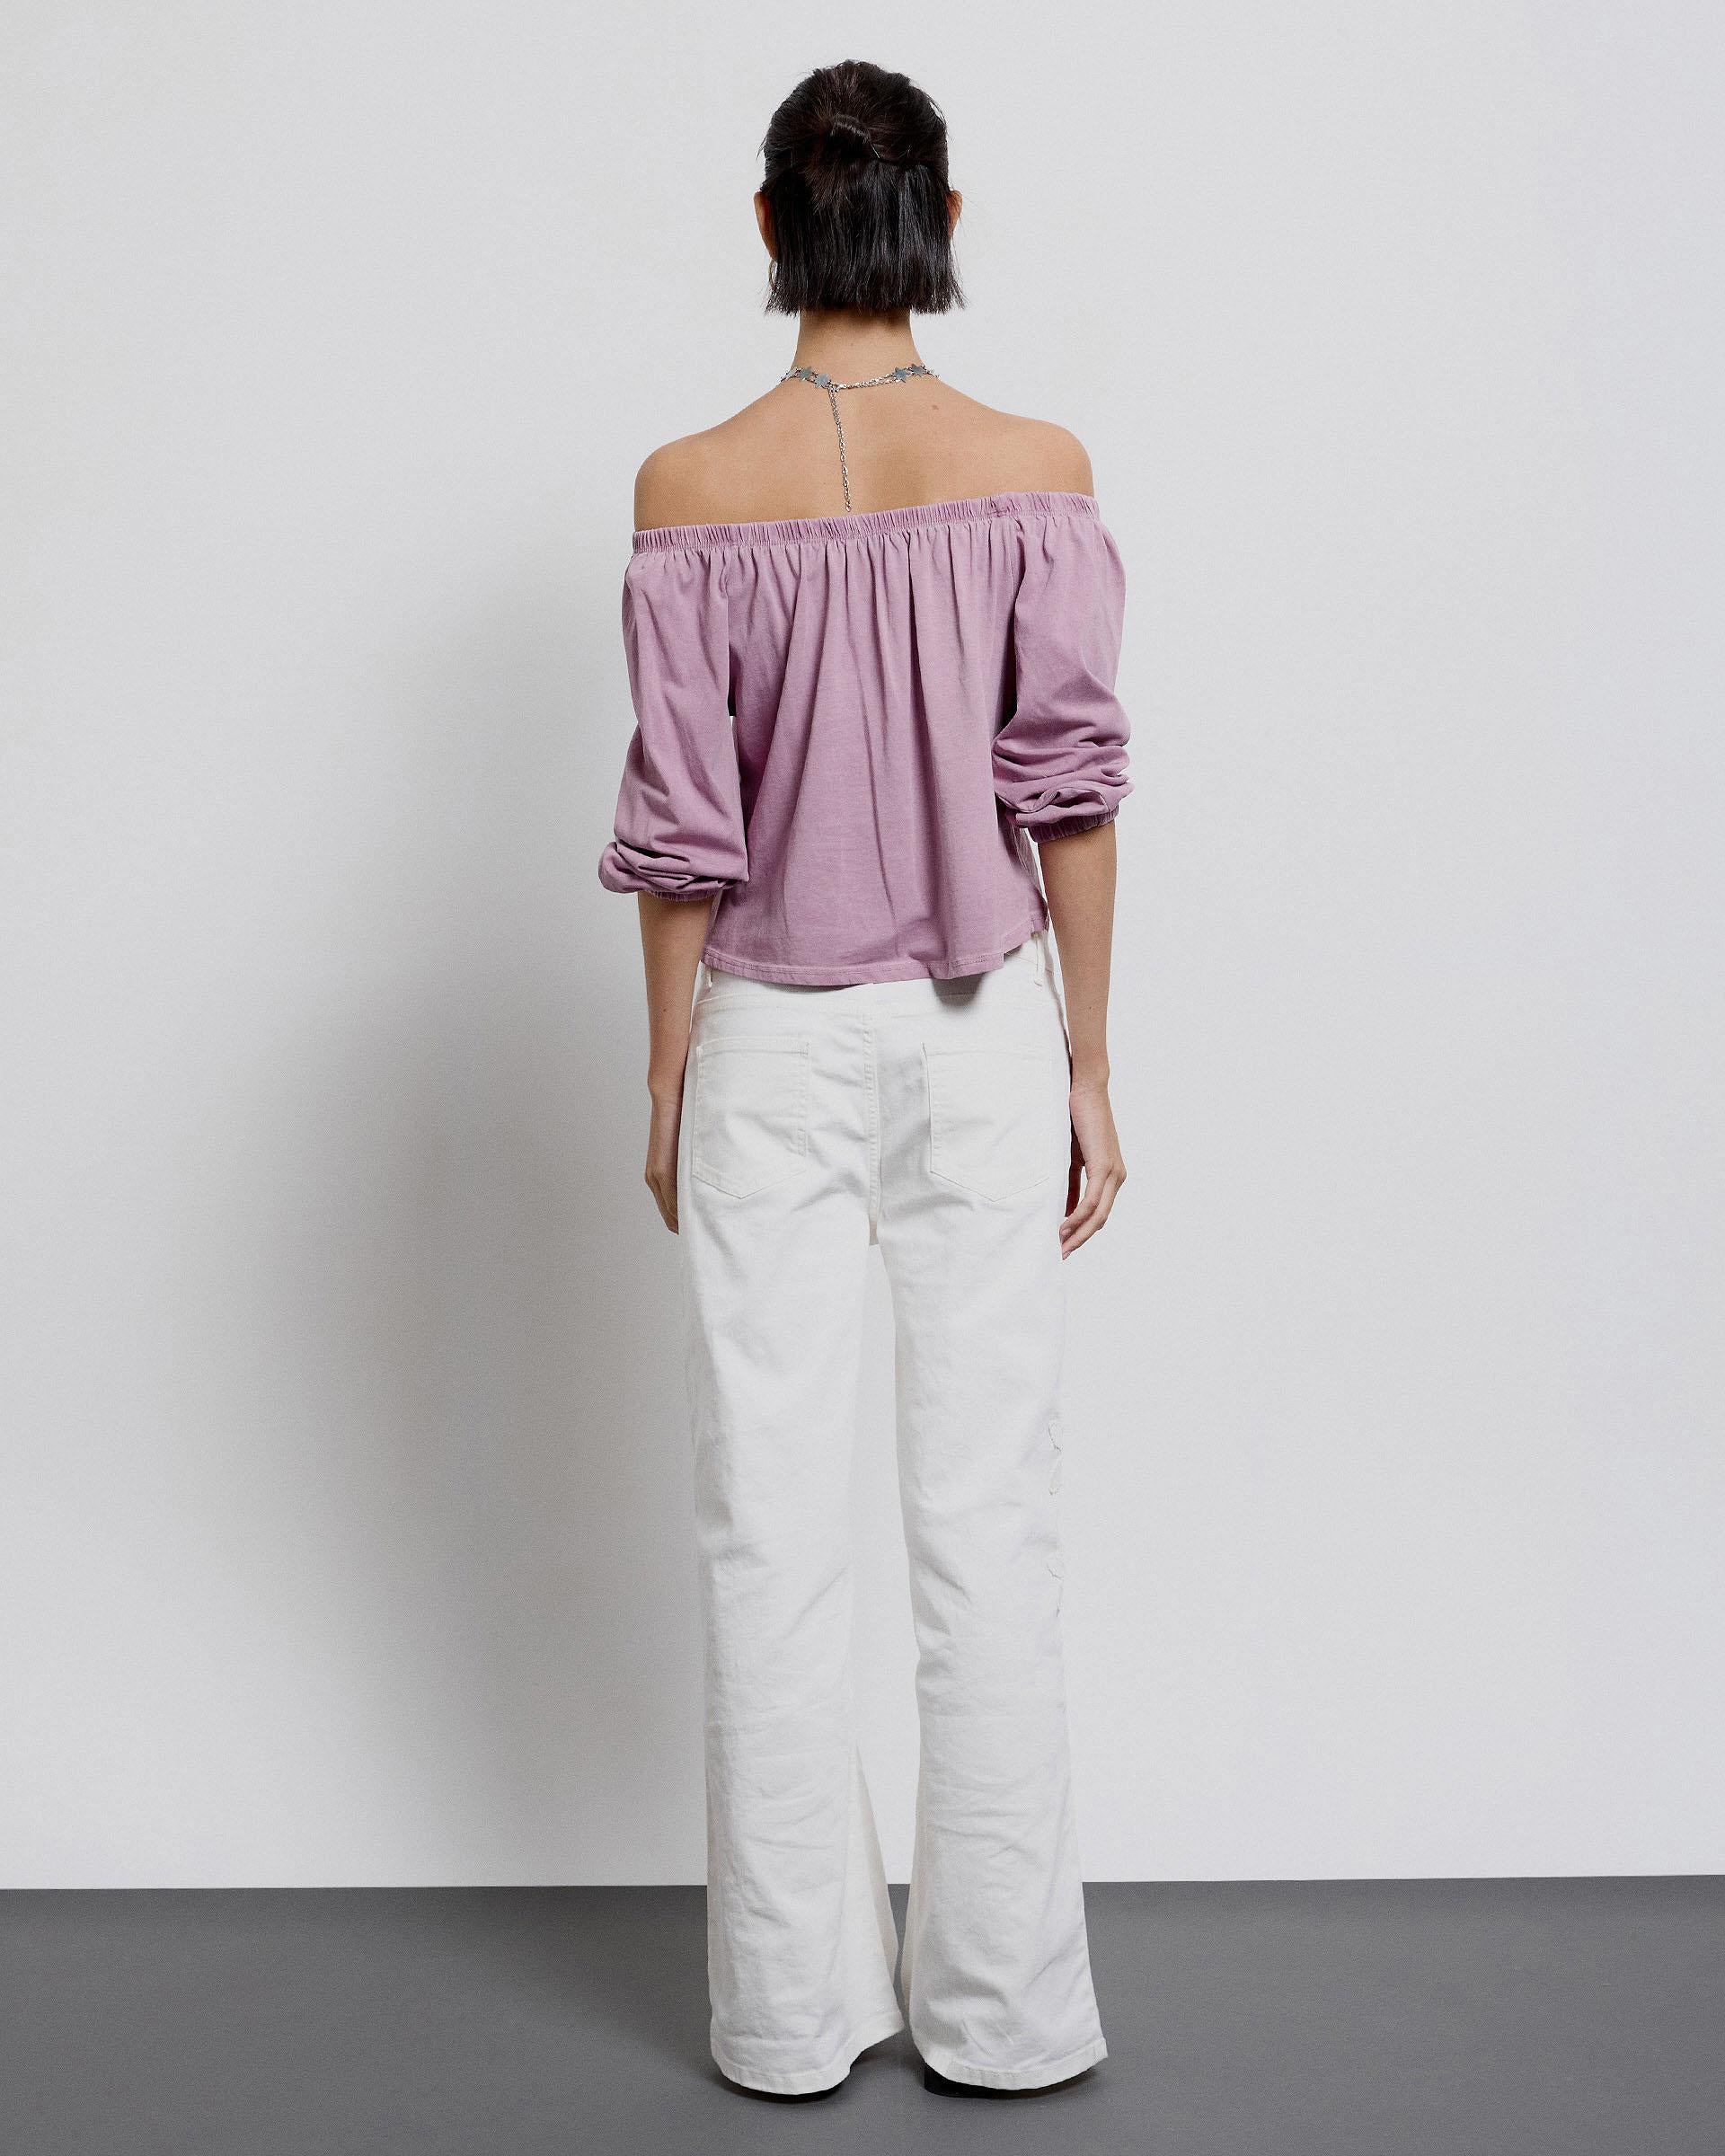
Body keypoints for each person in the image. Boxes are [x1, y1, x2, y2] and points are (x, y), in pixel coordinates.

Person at [597, 57, 1131, 2101]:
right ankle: (1004, 2017)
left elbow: (683, 832)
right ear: (943, 216)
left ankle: (790, 2017)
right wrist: (1093, 1060)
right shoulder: (1036, 467)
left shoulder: (685, 489)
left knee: (770, 1530)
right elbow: (1070, 793)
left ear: (767, 223)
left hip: (767, 1037)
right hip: (983, 1035)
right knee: (991, 1523)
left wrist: (671, 1072)